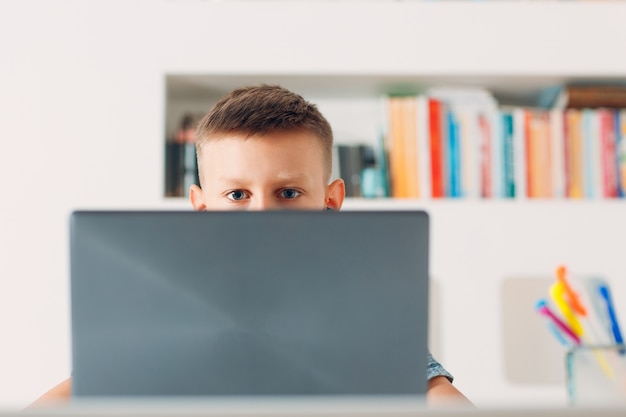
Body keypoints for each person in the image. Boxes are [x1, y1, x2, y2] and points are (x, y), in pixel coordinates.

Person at [31, 85, 472, 407]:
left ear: (331, 201)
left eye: (288, 193)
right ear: (201, 207)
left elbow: (432, 389)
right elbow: (85, 386)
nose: (262, 215)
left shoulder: (361, 305)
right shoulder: (164, 302)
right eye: (238, 195)